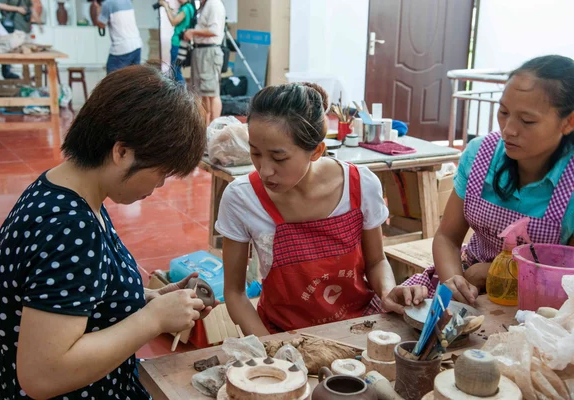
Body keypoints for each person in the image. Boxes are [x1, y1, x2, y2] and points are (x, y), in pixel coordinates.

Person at [0, 65, 212, 399]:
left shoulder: (68, 189)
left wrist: (151, 301)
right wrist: (151, 321)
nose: (159, 185)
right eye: (161, 172)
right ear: (121, 152)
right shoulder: (67, 226)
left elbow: (78, 301)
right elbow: (42, 375)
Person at [216, 83, 428, 336]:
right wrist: (269, 346)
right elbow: (235, 293)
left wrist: (387, 292)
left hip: (361, 327)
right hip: (283, 333)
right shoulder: (241, 198)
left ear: (316, 151)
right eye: (255, 153)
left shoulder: (360, 185)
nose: (264, 170)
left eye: (279, 158)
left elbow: (376, 261)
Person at [403, 55, 574, 304]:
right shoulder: (480, 154)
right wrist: (455, 281)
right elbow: (447, 237)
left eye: (527, 121)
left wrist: (499, 274)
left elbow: (569, 278)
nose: (509, 129)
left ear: (569, 122)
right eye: (503, 112)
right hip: (468, 281)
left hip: (542, 303)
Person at [184, 0, 225, 124]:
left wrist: (193, 32)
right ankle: (205, 126)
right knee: (202, 92)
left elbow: (214, 30)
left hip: (209, 52)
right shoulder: (204, 4)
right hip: (200, 50)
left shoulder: (213, 4)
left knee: (212, 92)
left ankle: (214, 127)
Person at [93, 0, 143, 74]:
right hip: (137, 45)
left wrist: (97, 8)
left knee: (112, 80)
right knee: (133, 79)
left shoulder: (108, 4)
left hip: (122, 47)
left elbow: (101, 24)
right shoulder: (127, 1)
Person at [159, 0, 195, 84]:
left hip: (178, 43)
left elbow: (174, 22)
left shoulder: (186, 8)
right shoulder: (189, 7)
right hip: (182, 42)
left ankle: (182, 94)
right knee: (176, 69)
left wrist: (166, 7)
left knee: (175, 71)